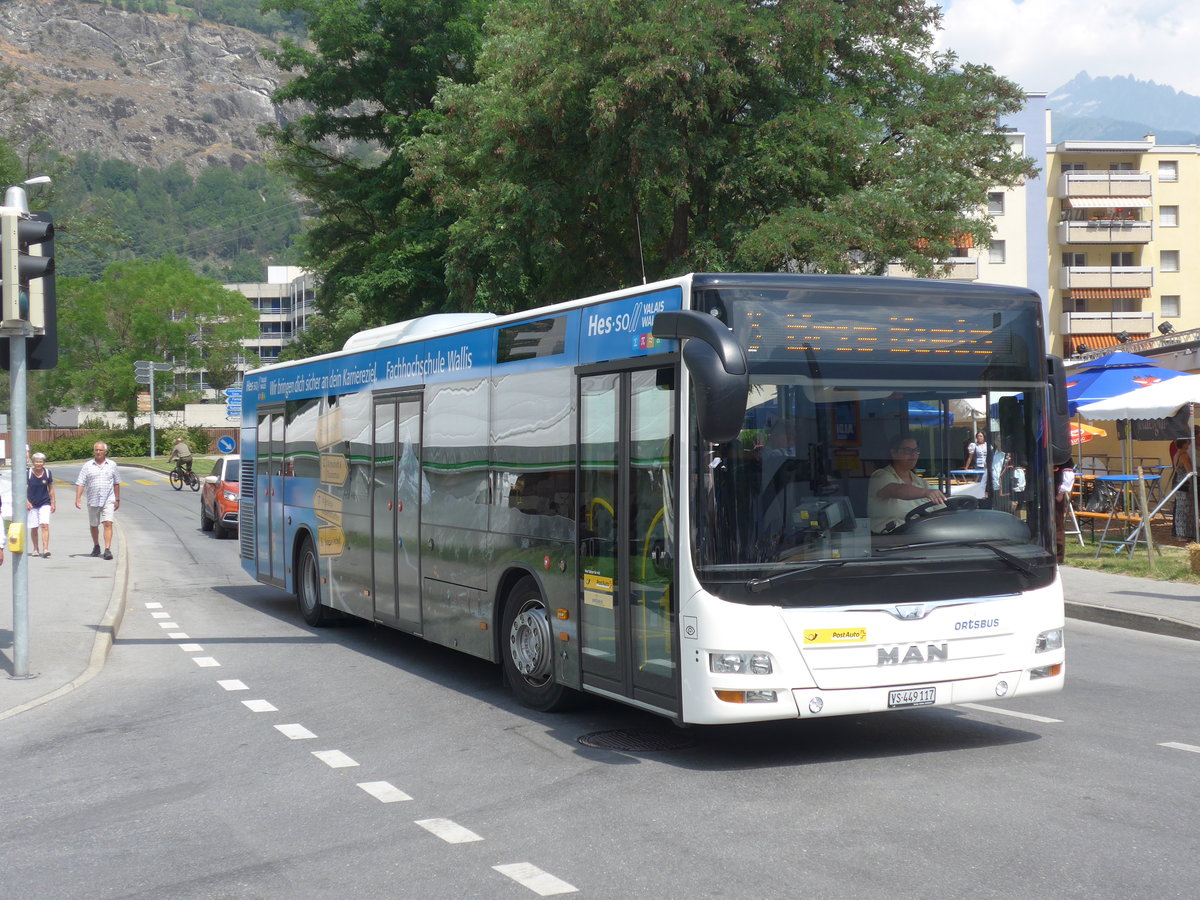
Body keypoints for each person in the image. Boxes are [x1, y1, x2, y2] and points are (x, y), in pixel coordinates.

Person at [869, 435, 947, 534]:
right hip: (888, 542)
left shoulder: (922, 482)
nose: (913, 454)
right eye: (907, 450)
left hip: (922, 538)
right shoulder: (880, 476)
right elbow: (896, 490)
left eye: (916, 450)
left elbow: (943, 511)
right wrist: (925, 492)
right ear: (893, 453)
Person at [75, 441, 121, 560]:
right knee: (94, 524)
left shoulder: (112, 465)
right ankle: (96, 545)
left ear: (105, 452)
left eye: (101, 450)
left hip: (108, 499)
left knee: (107, 523)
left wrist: (117, 499)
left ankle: (107, 549)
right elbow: (80, 483)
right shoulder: (88, 465)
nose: (98, 452)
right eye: (96, 450)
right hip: (93, 499)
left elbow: (116, 482)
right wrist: (78, 498)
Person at [26, 451, 56, 558]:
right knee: (34, 527)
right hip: (32, 503)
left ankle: (46, 548)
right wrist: (26, 501)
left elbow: (51, 488)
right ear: (33, 462)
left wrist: (53, 502)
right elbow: (22, 489)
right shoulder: (28, 473)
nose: (39, 464)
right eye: (36, 462)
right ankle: (35, 548)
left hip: (45, 502)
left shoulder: (47, 473)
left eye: (41, 462)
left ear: (44, 462)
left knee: (44, 525)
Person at [1170, 439, 1195, 540]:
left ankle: (1181, 534)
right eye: (1188, 442)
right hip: (1184, 483)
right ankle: (1184, 533)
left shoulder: (1176, 454)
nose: (1189, 444)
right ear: (1184, 444)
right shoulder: (1183, 455)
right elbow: (1189, 470)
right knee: (1185, 509)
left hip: (1178, 482)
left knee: (1180, 508)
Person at [1054, 458, 1076, 564]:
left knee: (1057, 524)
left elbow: (1069, 475)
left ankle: (1058, 557)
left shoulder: (1063, 455)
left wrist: (1061, 493)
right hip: (1044, 490)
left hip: (1056, 491)